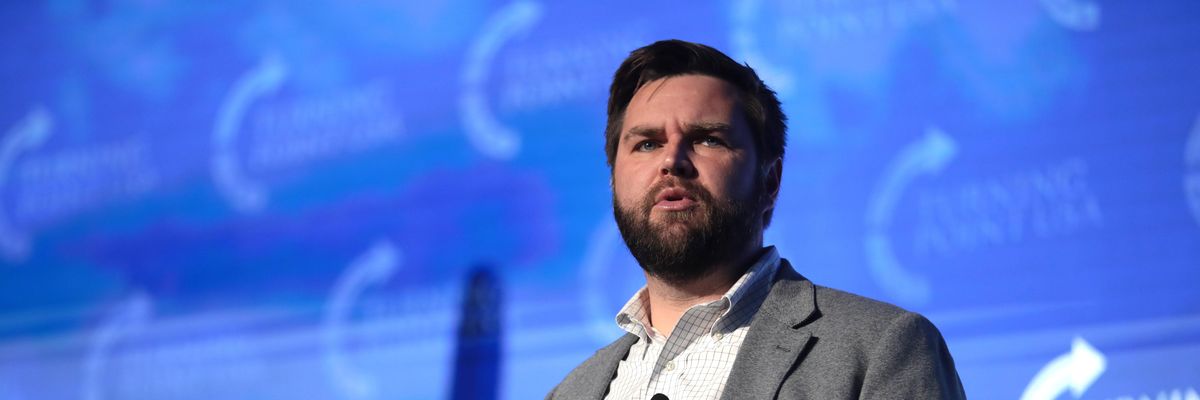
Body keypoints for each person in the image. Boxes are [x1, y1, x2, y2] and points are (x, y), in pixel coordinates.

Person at [546, 39, 966, 399]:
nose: (672, 162)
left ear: (770, 181)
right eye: (647, 144)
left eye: (708, 139)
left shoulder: (880, 348)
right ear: (614, 179)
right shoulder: (571, 391)